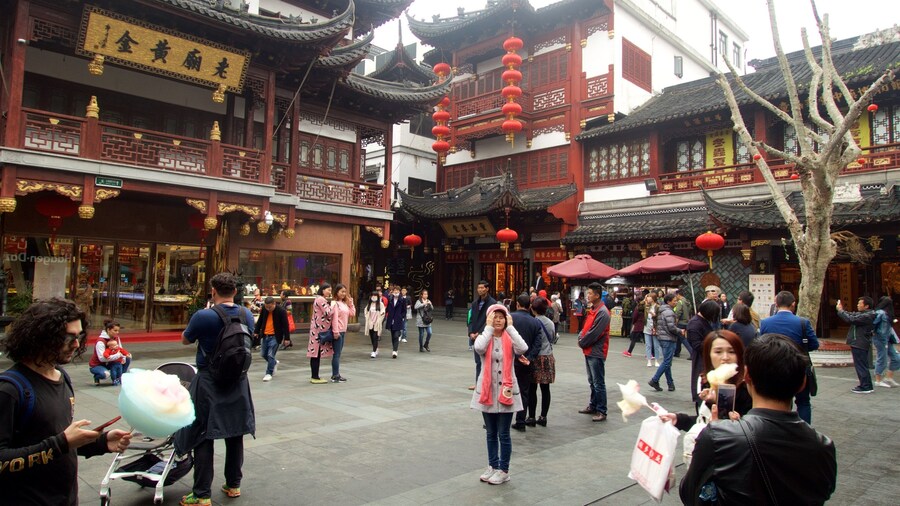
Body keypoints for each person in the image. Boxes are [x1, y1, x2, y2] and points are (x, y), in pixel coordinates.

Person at [0, 298, 132, 506]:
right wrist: (62, 442)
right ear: (41, 336)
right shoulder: (10, 390)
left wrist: (99, 442)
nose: (76, 344)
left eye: (78, 336)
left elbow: (56, 440)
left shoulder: (61, 376)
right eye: (67, 337)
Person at [679, 334, 837, 504]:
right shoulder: (823, 446)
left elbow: (689, 493)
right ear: (802, 384)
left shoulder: (719, 437)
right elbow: (823, 491)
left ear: (747, 375)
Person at [175, 272, 255, 505]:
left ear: (213, 291)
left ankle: (201, 495)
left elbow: (185, 340)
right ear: (235, 292)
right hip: (238, 380)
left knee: (203, 434)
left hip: (209, 380)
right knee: (235, 432)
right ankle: (233, 484)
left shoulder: (204, 316)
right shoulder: (246, 313)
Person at [470, 304, 528, 486]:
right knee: (490, 433)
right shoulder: (485, 338)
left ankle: (504, 470)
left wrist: (510, 327)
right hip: (487, 391)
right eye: (494, 317)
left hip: (506, 391)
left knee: (504, 434)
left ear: (507, 319)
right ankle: (492, 466)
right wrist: (488, 328)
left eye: (501, 317)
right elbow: (478, 348)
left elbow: (523, 347)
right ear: (489, 319)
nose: (498, 320)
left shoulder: (510, 338)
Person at [660, 330, 752, 431]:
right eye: (718, 352)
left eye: (731, 352)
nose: (725, 357)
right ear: (709, 355)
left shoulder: (748, 386)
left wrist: (738, 423)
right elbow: (703, 421)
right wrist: (679, 420)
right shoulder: (706, 382)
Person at [759, 290, 819, 422]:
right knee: (803, 402)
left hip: (774, 367)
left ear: (776, 303)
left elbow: (761, 344)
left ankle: (781, 428)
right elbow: (814, 344)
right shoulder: (803, 322)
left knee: (779, 401)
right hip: (799, 366)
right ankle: (804, 430)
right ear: (793, 304)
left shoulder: (765, 323)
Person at [577, 282, 611, 422]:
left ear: (597, 295)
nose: (588, 295)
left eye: (590, 293)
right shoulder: (593, 309)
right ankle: (593, 405)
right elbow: (586, 328)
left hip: (596, 351)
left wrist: (582, 341)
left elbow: (594, 333)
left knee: (598, 382)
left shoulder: (603, 312)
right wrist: (581, 338)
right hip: (589, 350)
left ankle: (601, 410)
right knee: (592, 381)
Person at [510, 294, 543, 431]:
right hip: (526, 362)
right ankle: (521, 420)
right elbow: (538, 343)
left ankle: (502, 419)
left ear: (517, 304)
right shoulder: (535, 322)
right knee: (524, 391)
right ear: (529, 306)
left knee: (506, 389)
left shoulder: (510, 318)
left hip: (511, 361)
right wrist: (529, 358)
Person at [837, 296, 877, 394]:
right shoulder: (864, 314)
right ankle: (866, 385)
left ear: (866, 306)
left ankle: (865, 386)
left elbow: (851, 319)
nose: (858, 305)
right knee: (862, 364)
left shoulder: (867, 316)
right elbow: (851, 315)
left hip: (860, 342)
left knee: (861, 365)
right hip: (859, 341)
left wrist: (840, 310)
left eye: (860, 303)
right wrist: (842, 311)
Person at [527, 296, 556, 427]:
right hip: (548, 356)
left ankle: (531, 416)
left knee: (532, 388)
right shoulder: (550, 323)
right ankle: (543, 416)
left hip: (535, 357)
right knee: (545, 389)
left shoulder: (532, 322)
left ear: (533, 309)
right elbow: (553, 338)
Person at [687, 300, 721, 408]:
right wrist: (714, 343)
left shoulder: (703, 321)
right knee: (701, 387)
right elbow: (696, 345)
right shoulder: (695, 324)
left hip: (706, 359)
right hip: (701, 360)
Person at [648, 293, 682, 392]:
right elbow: (671, 327)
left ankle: (670, 384)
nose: (676, 302)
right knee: (667, 362)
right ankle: (655, 379)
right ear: (669, 301)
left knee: (668, 361)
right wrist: (680, 331)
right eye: (674, 300)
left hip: (662, 337)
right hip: (668, 338)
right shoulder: (669, 312)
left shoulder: (662, 310)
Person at [467, 281, 497, 389]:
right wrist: (471, 332)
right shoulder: (475, 303)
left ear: (487, 289)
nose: (480, 290)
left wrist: (479, 333)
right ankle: (478, 383)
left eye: (482, 288)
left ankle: (489, 383)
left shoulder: (493, 303)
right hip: (475, 337)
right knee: (478, 362)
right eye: (478, 288)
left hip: (486, 335)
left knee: (489, 361)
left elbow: (490, 320)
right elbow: (470, 319)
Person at [254, 296, 289, 382]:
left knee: (270, 355)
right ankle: (273, 363)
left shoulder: (281, 311)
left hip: (275, 336)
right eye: (266, 307)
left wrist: (287, 338)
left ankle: (268, 373)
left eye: (270, 307)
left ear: (274, 304)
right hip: (265, 335)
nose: (268, 309)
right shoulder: (264, 310)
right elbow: (260, 320)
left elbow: (285, 325)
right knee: (263, 354)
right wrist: (256, 331)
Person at [306, 284, 336, 383]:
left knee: (316, 353)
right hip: (318, 331)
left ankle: (315, 376)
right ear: (322, 290)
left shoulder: (319, 299)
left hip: (317, 330)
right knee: (316, 354)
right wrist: (334, 306)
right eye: (328, 290)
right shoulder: (321, 300)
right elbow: (328, 312)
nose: (329, 292)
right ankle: (315, 377)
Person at [88, 319, 131, 386]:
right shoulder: (100, 341)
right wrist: (117, 356)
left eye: (118, 331)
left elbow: (120, 349)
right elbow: (102, 358)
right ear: (108, 330)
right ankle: (96, 377)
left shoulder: (116, 338)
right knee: (105, 374)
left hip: (111, 362)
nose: (117, 332)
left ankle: (119, 378)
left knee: (128, 357)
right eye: (115, 330)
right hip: (98, 364)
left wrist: (124, 357)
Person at [873, 295, 900, 387]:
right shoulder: (880, 313)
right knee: (882, 358)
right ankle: (878, 380)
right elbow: (873, 324)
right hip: (880, 339)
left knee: (896, 358)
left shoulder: (888, 314)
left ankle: (888, 377)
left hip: (887, 339)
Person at [330, 283, 355, 383]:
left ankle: (336, 374)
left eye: (345, 292)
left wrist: (351, 303)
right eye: (342, 291)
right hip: (338, 332)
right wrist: (336, 332)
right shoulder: (334, 303)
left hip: (343, 331)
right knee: (336, 354)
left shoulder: (344, 304)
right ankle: (335, 375)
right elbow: (334, 319)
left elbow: (352, 313)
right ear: (337, 292)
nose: (344, 294)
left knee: (338, 354)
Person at [384, 285, 408, 359]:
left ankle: (395, 350)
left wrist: (402, 316)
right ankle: (394, 349)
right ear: (392, 291)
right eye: (394, 290)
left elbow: (404, 310)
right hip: (391, 319)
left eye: (397, 290)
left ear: (399, 291)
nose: (396, 291)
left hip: (398, 319)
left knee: (396, 335)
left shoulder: (402, 300)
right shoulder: (390, 299)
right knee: (392, 335)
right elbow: (387, 308)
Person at [364, 291, 385, 358]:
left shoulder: (380, 304)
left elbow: (383, 311)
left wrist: (380, 317)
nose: (374, 297)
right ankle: (375, 348)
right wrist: (367, 317)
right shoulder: (369, 304)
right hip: (370, 323)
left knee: (375, 337)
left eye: (375, 295)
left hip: (377, 323)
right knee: (372, 337)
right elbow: (366, 311)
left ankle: (374, 351)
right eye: (372, 295)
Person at [672, 290, 692, 358]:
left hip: (680, 322)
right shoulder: (687, 302)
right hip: (686, 321)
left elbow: (678, 313)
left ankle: (692, 352)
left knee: (682, 338)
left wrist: (675, 322)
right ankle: (677, 352)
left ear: (678, 295)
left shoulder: (680, 302)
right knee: (678, 338)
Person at [643, 293, 660, 368]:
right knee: (648, 345)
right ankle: (649, 360)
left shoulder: (658, 307)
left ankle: (656, 360)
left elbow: (660, 317)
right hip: (647, 327)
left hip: (655, 327)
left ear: (653, 298)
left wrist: (655, 316)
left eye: (649, 297)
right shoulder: (647, 306)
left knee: (656, 345)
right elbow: (639, 307)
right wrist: (644, 300)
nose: (648, 299)